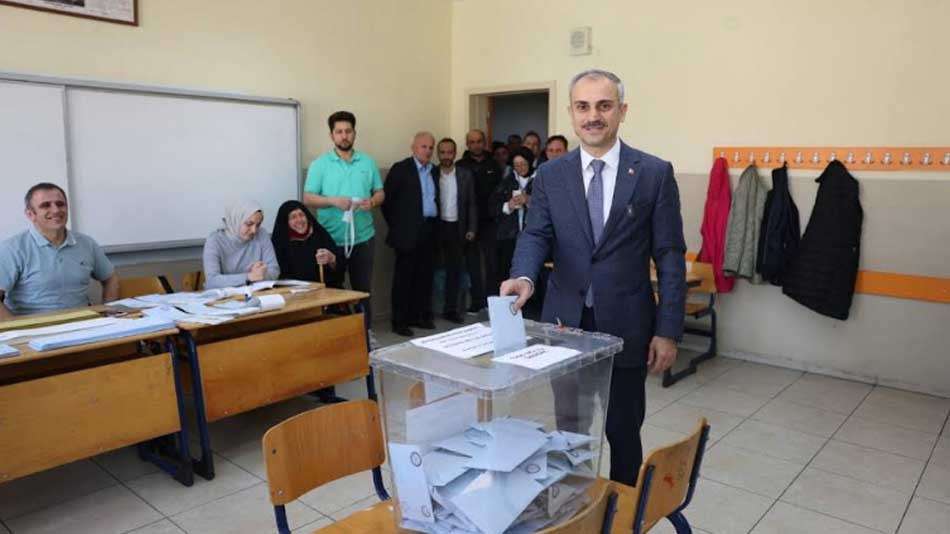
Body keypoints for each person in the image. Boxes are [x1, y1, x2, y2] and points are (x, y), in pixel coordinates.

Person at [500, 69, 687, 485]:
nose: (593, 116)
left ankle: (622, 509)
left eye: (604, 105)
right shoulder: (551, 175)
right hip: (565, 322)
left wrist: (668, 330)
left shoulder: (654, 173)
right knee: (569, 427)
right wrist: (524, 277)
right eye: (582, 107)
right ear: (571, 113)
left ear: (622, 111)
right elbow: (536, 234)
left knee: (623, 429)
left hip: (627, 324)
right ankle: (574, 504)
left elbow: (670, 255)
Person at [303, 111, 385, 328]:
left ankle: (366, 334)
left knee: (363, 291)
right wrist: (332, 201)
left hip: (363, 238)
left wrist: (372, 202)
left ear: (354, 133)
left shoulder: (367, 162)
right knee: (332, 292)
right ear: (331, 135)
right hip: (330, 240)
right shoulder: (320, 164)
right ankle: (337, 337)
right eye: (339, 132)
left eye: (348, 131)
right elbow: (307, 198)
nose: (344, 136)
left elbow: (380, 192)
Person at [0, 183, 119, 319]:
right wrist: (16, 327)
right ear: (30, 214)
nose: (56, 210)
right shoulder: (11, 249)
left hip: (83, 323)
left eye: (60, 204)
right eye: (46, 205)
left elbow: (110, 278)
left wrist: (110, 314)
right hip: (36, 327)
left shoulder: (87, 243)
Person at [382, 132, 440, 337]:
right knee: (403, 278)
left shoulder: (434, 171)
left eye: (431, 147)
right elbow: (387, 203)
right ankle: (400, 321)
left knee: (424, 276)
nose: (428, 151)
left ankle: (419, 316)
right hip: (406, 232)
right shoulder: (401, 169)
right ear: (413, 147)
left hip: (429, 229)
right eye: (424, 146)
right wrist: (399, 227)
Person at [457, 129, 502, 313]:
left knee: (492, 263)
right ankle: (476, 302)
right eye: (472, 142)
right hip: (468, 223)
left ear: (484, 142)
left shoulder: (494, 163)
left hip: (490, 221)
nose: (476, 145)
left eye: (479, 141)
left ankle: (492, 301)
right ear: (467, 144)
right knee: (472, 264)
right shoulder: (460, 165)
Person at [435, 138, 478, 324]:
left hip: (457, 227)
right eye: (442, 152)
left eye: (449, 152)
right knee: (432, 269)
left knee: (455, 270)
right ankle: (430, 309)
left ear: (455, 153)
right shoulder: (432, 173)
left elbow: (472, 203)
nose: (446, 156)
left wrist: (472, 228)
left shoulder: (464, 174)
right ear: (438, 154)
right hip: (437, 227)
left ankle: (451, 309)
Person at [203, 200, 280, 289]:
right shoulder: (215, 240)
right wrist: (249, 277)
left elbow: (274, 270)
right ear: (236, 220)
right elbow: (212, 281)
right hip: (225, 296)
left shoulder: (262, 234)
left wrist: (261, 274)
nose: (254, 230)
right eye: (249, 224)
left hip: (255, 293)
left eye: (258, 225)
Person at [271, 200, 342, 288]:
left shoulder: (319, 234)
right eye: (293, 217)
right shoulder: (280, 242)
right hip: (294, 292)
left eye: (301, 215)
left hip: (327, 290)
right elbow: (277, 277)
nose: (299, 220)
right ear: (286, 222)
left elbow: (340, 269)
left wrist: (332, 259)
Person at [493, 147, 535, 289]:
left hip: (533, 235)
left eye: (523, 164)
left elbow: (549, 205)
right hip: (509, 235)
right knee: (508, 271)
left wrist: (529, 200)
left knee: (530, 273)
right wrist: (508, 206)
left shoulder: (539, 179)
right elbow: (493, 206)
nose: (520, 168)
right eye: (516, 165)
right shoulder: (507, 181)